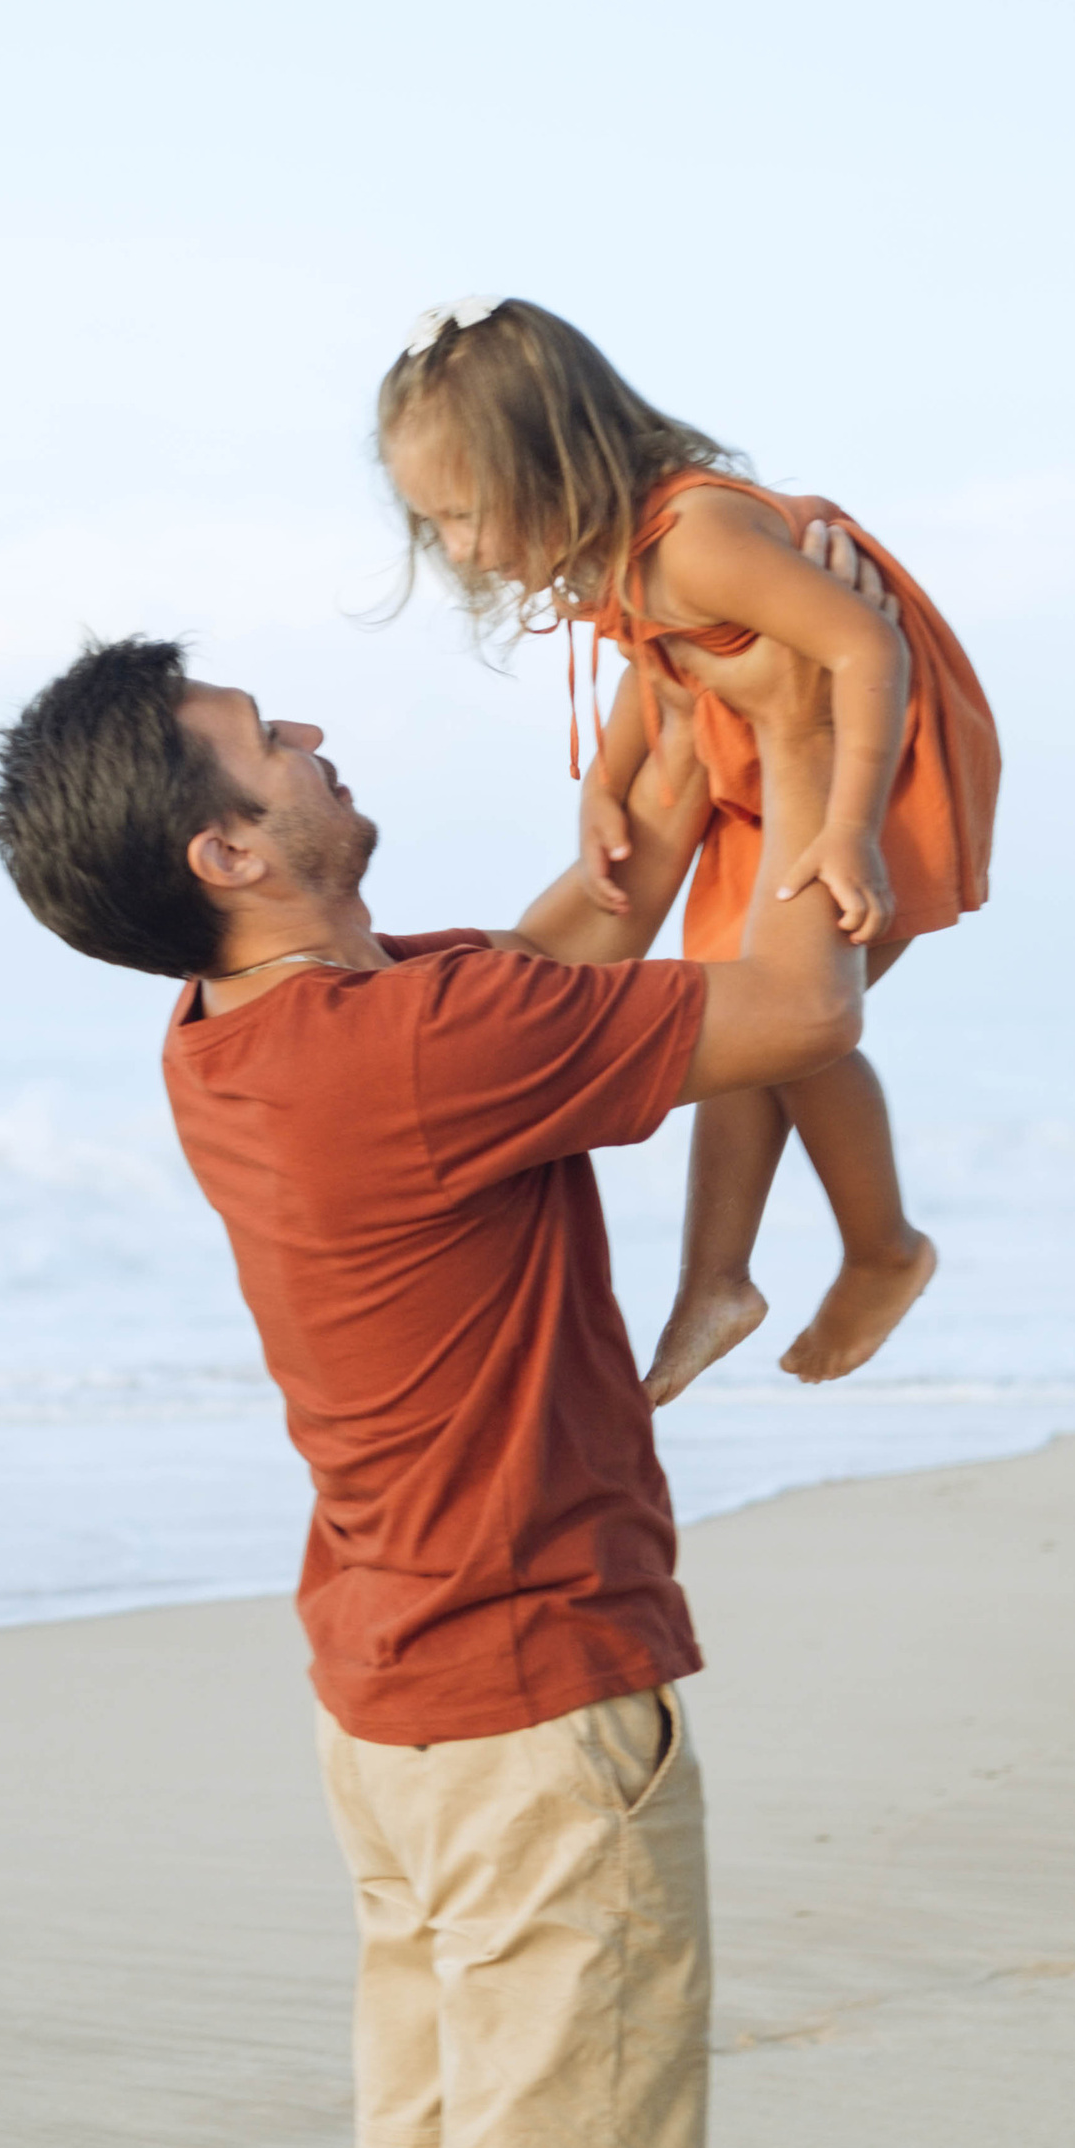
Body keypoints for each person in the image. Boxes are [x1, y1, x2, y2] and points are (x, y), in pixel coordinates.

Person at [0, 615, 869, 2148]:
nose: (312, 726)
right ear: (229, 842)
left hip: (390, 1707)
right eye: (267, 737)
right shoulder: (420, 1049)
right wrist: (838, 781)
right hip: (531, 1716)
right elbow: (786, 1010)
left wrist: (683, 745)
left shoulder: (237, 1040)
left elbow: (557, 948)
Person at [379, 293, 1000, 1403]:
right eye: (436, 526)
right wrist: (604, 790)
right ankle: (714, 1283)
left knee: (789, 1030)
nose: (458, 550)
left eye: (467, 515)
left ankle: (882, 1249)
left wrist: (851, 828)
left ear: (558, 462)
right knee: (732, 1014)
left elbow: (863, 649)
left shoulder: (698, 540)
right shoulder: (622, 553)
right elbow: (648, 660)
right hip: (759, 759)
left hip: (869, 757)